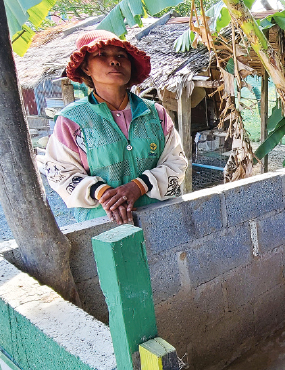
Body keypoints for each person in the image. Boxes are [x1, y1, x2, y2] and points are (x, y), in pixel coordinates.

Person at [44, 30, 188, 224]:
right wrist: (102, 193)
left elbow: (176, 163)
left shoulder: (156, 114)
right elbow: (60, 173)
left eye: (121, 56)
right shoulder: (71, 121)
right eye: (101, 55)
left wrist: (139, 186)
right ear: (86, 67)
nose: (114, 61)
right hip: (101, 223)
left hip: (159, 220)